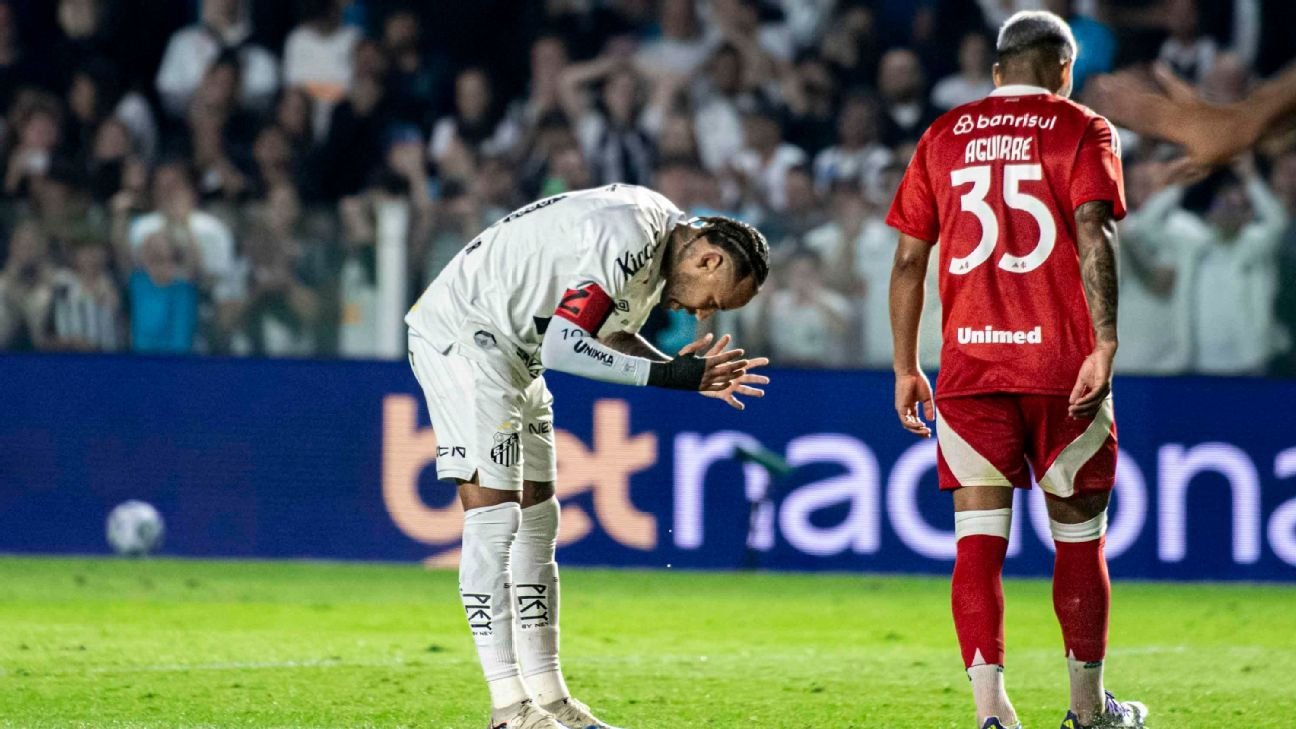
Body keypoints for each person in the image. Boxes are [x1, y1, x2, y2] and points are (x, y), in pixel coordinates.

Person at [405, 184, 771, 729]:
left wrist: (682, 375)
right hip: (466, 337)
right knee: (495, 517)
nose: (700, 315)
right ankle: (508, 707)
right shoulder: (627, 232)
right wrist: (671, 375)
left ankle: (550, 698)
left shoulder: (655, 254)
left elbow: (609, 337)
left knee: (538, 516)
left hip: (516, 356)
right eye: (713, 301)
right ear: (708, 259)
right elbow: (565, 345)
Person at [886, 12, 1147, 729]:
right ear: (1065, 70)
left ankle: (992, 712)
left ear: (997, 72)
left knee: (977, 543)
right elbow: (1095, 230)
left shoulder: (943, 135)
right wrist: (1105, 341)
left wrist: (906, 366)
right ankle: (1088, 711)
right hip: (1063, 368)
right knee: (1079, 537)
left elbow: (908, 260)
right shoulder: (1083, 128)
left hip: (971, 369)